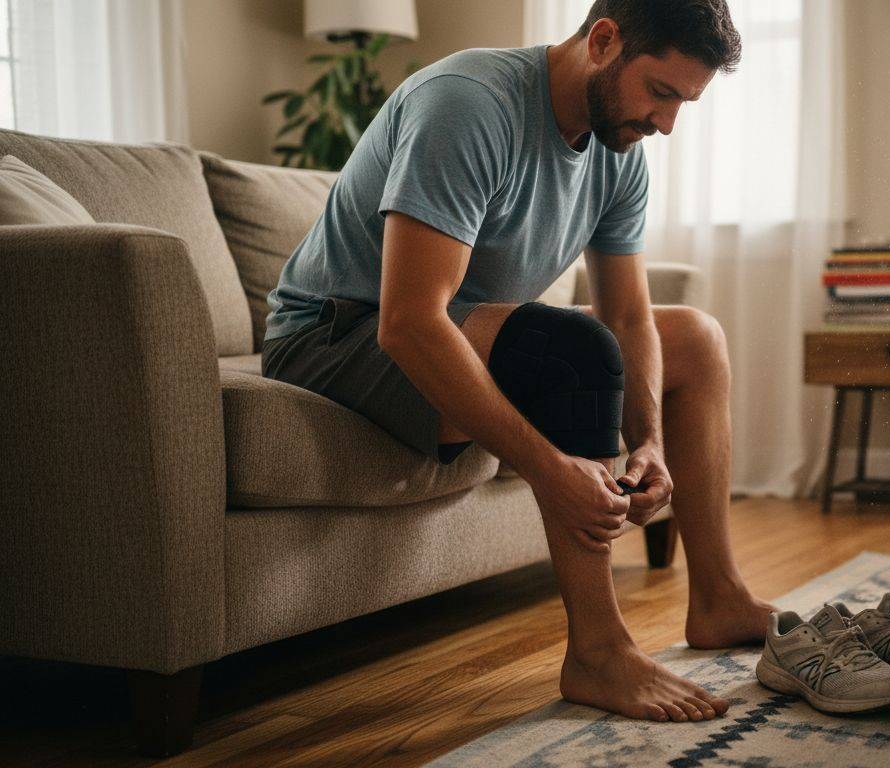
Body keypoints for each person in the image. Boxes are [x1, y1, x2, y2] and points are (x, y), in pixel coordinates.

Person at [261, 0, 773, 723]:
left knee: (695, 336)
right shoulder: (468, 106)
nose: (666, 124)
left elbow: (629, 315)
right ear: (603, 41)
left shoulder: (616, 148)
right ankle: (598, 651)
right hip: (332, 338)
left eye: (684, 103)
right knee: (570, 352)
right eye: (661, 93)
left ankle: (719, 597)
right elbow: (408, 323)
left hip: (470, 332)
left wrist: (649, 440)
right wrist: (549, 470)